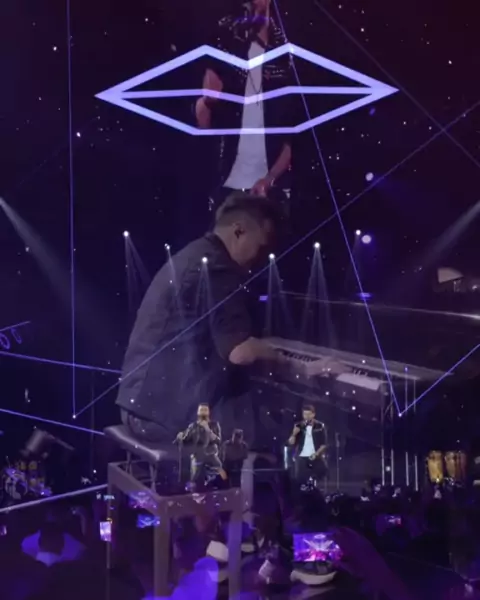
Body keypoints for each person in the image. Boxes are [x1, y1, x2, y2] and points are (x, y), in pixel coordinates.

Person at [116, 192, 346, 449]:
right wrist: (299, 367)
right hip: (164, 418)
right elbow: (240, 353)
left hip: (141, 406)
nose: (262, 260)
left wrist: (263, 350)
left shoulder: (195, 254)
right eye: (262, 247)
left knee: (260, 413)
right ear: (239, 231)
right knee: (287, 430)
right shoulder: (218, 267)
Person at [195, 0, 294, 210]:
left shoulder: (284, 52)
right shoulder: (227, 37)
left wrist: (269, 180)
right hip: (226, 186)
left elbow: (291, 137)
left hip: (270, 191)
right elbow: (204, 122)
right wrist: (207, 102)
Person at [176, 403, 224, 487]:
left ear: (208, 412)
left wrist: (208, 430)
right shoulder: (193, 426)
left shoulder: (214, 425)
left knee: (220, 470)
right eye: (201, 410)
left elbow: (218, 441)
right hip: (197, 455)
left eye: (205, 410)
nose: (203, 413)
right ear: (198, 412)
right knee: (194, 477)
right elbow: (186, 439)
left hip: (211, 455)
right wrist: (181, 436)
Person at [288, 404, 328, 490]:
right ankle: (301, 489)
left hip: (316, 455)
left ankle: (318, 489)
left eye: (309, 414)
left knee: (323, 470)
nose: (307, 416)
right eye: (305, 414)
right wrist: (294, 434)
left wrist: (316, 454)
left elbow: (324, 444)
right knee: (299, 475)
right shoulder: (298, 425)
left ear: (313, 414)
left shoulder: (320, 426)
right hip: (302, 455)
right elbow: (291, 442)